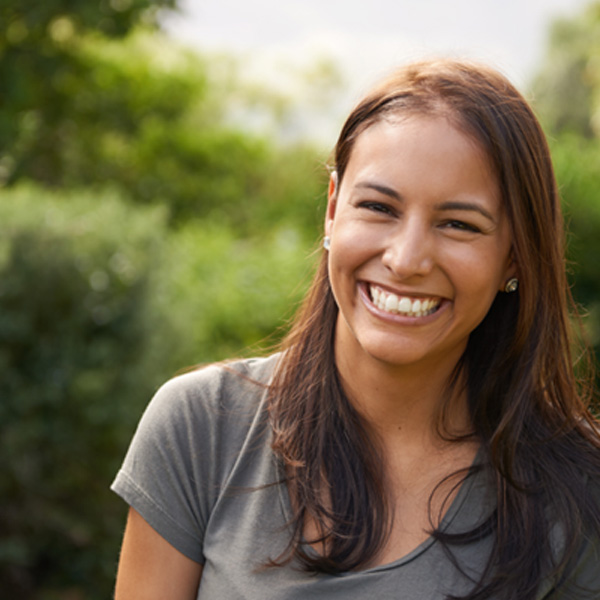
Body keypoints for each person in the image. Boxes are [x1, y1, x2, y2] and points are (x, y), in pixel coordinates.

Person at [111, 58, 600, 599]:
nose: (406, 258)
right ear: (331, 210)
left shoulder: (578, 492)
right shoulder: (201, 429)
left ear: (515, 255)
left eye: (458, 224)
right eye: (378, 207)